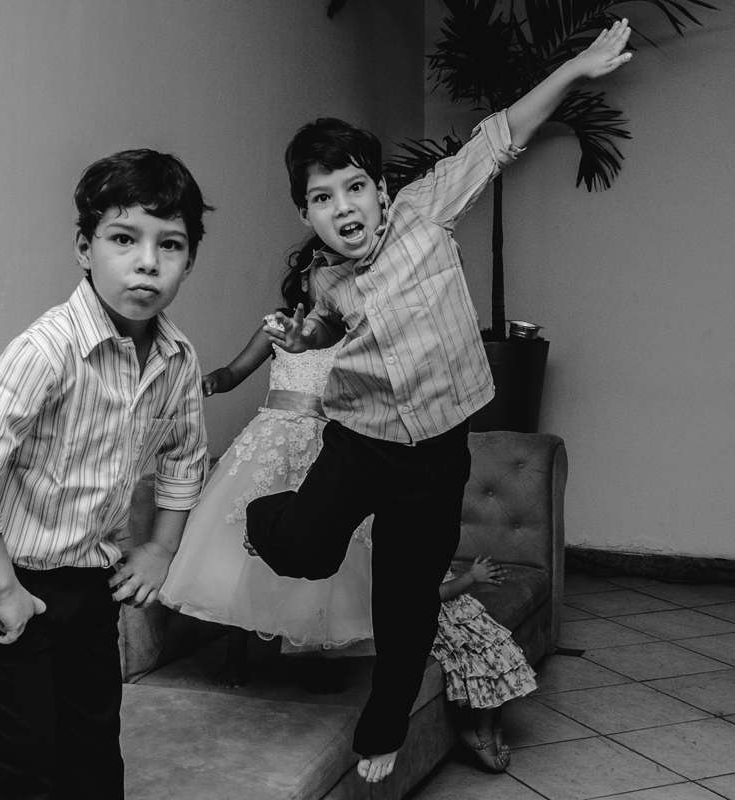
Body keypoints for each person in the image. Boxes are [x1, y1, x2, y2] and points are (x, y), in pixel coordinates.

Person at [245, 20, 634, 784]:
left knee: (405, 602)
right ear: (307, 215)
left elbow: (499, 135)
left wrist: (577, 68)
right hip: (358, 446)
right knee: (301, 550)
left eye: (356, 186)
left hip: (433, 461)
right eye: (323, 198)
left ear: (381, 190)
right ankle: (268, 517)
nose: (345, 206)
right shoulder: (326, 279)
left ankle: (381, 727)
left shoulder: (425, 212)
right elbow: (322, 329)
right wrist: (298, 334)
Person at [0, 149, 212, 800]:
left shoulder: (177, 357)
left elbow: (185, 456)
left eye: (169, 244)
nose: (147, 261)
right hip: (0, 573)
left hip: (89, 577)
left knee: (90, 755)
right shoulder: (49, 349)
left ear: (189, 260)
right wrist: (3, 589)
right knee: (18, 767)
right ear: (85, 248)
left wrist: (161, 548)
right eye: (123, 238)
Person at [159, 235, 373, 690]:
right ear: (304, 279)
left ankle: (313, 655)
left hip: (323, 447)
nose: (333, 283)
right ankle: (236, 653)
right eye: (325, 273)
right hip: (270, 441)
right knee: (242, 543)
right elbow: (237, 371)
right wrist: (214, 380)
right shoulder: (277, 326)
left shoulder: (356, 334)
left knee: (319, 545)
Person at [432, 556, 537, 773]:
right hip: (430, 614)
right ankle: (481, 734)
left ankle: (494, 724)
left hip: (454, 605)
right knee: (479, 659)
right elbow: (430, 595)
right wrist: (472, 576)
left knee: (498, 646)